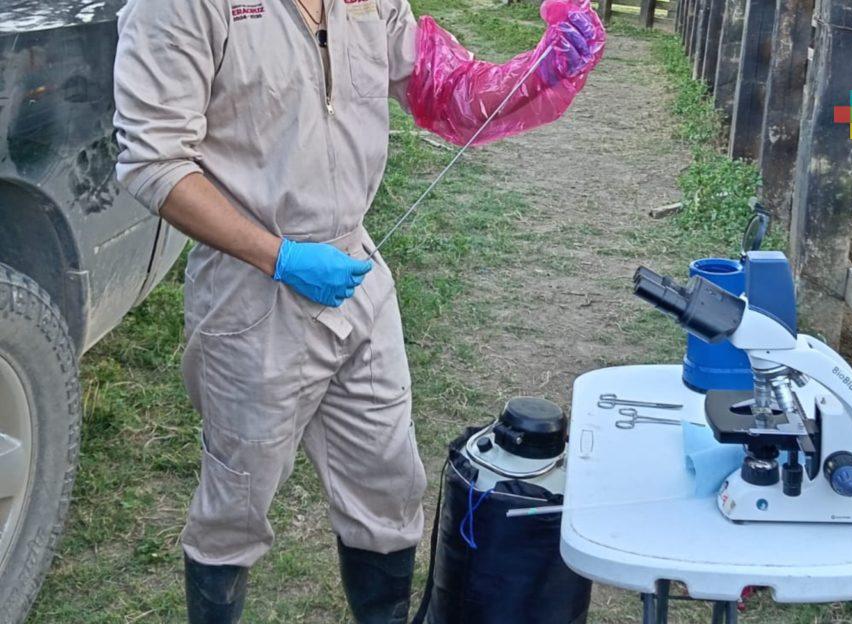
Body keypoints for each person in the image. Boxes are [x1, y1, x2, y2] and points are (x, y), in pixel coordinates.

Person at [112, 0, 603, 621]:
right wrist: (280, 257)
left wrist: (534, 72)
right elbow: (153, 161)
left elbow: (444, 88)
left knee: (389, 484)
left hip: (356, 275)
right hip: (251, 287)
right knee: (236, 502)